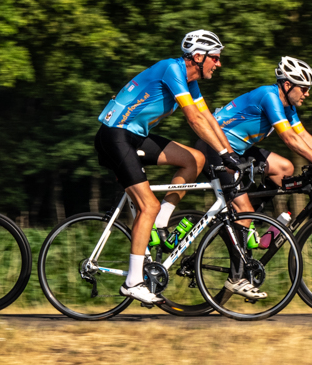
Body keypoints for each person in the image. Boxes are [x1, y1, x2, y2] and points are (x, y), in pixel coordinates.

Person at [94, 30, 240, 305]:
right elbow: (194, 119)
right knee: (147, 205)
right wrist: (222, 152)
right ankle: (133, 282)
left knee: (194, 159)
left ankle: (162, 219)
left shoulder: (190, 80)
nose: (218, 64)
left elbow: (208, 117)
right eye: (215, 58)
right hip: (115, 135)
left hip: (133, 136)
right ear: (198, 57)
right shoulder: (171, 68)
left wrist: (230, 154)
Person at [195, 56, 312, 298]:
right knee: (244, 209)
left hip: (239, 149)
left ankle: (246, 217)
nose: (308, 94)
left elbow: (302, 135)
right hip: (214, 147)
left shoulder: (287, 106)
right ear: (287, 85)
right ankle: (236, 277)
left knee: (285, 168)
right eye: (304, 88)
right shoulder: (269, 96)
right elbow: (289, 139)